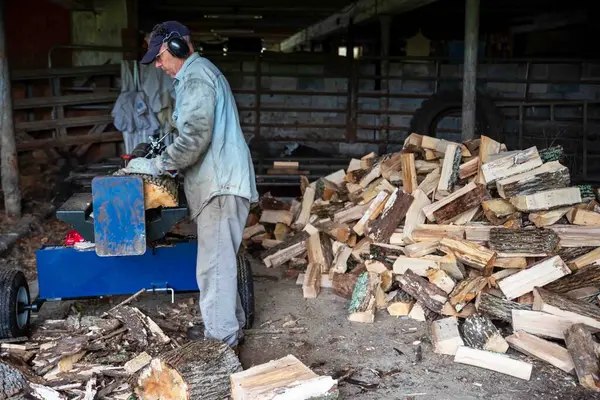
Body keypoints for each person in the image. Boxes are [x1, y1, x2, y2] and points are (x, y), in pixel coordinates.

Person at [122, 21, 258, 352]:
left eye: (159, 56)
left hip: (220, 187)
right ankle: (229, 327)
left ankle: (220, 346)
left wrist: (157, 165)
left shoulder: (197, 78)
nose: (157, 64)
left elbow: (195, 137)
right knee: (220, 264)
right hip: (220, 185)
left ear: (178, 48)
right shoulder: (196, 77)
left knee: (213, 268)